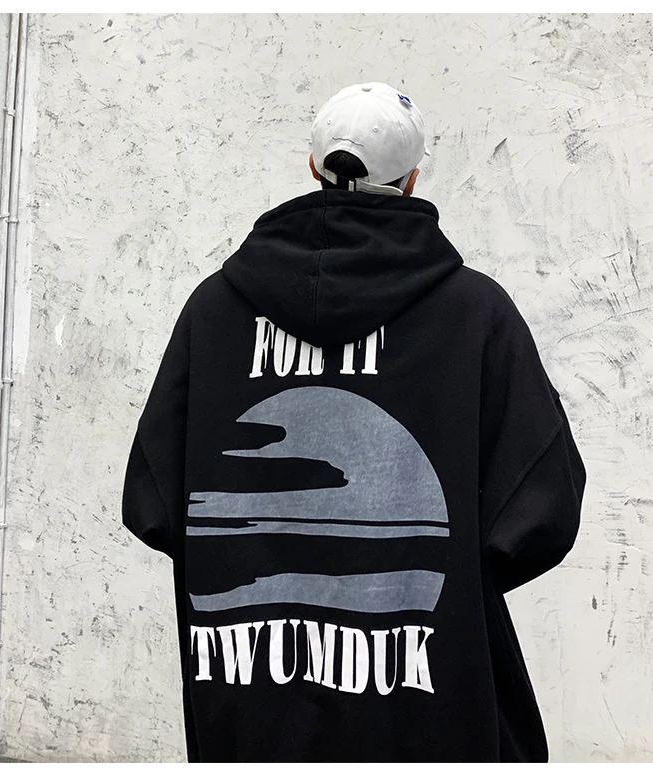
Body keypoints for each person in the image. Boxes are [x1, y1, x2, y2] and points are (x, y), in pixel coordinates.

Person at [122, 82, 586, 763]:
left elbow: (154, 501)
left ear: (313, 166)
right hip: (429, 708)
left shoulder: (213, 311)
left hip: (250, 709)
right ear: (412, 179)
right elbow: (544, 503)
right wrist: (446, 586)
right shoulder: (477, 313)